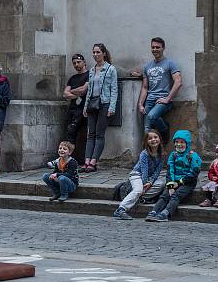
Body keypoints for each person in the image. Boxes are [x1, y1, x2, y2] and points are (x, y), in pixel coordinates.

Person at [145, 130, 201, 222]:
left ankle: (165, 213)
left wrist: (178, 183)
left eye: (182, 142)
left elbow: (193, 173)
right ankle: (154, 211)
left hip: (187, 182)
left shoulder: (193, 156)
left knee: (176, 195)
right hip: (173, 181)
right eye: (177, 142)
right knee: (165, 195)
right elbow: (170, 171)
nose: (179, 144)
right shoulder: (173, 155)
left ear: (187, 143)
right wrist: (171, 185)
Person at [138, 37, 182, 144]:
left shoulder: (170, 63)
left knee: (152, 116)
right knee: (147, 129)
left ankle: (164, 129)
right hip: (149, 100)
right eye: (153, 47)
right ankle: (148, 155)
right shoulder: (147, 66)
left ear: (163, 48)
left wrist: (167, 99)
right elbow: (145, 87)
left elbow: (178, 82)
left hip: (162, 100)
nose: (155, 49)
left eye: (157, 47)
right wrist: (140, 104)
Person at [82, 43, 117, 173]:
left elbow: (114, 89)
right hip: (92, 103)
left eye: (98, 52)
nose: (95, 55)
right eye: (94, 52)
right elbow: (90, 89)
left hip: (104, 103)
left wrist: (112, 107)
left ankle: (94, 161)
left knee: (99, 134)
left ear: (104, 53)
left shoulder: (111, 69)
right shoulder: (92, 70)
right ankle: (86, 161)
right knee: (90, 134)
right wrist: (85, 106)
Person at [113, 130, 164, 220]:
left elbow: (157, 172)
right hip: (137, 175)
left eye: (155, 137)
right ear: (147, 142)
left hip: (148, 179)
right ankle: (120, 210)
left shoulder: (162, 155)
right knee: (138, 190)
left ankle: (137, 198)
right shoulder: (144, 154)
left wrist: (150, 183)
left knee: (161, 184)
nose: (153, 140)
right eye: (150, 138)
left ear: (159, 139)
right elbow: (144, 171)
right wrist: (144, 186)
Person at [63, 53, 89, 162]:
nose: (76, 65)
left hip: (83, 109)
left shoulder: (88, 75)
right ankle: (68, 157)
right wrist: (77, 93)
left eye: (78, 62)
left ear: (84, 62)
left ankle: (74, 158)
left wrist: (72, 92)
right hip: (72, 109)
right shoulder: (73, 78)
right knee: (70, 133)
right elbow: (65, 94)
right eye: (74, 63)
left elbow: (84, 90)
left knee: (76, 132)